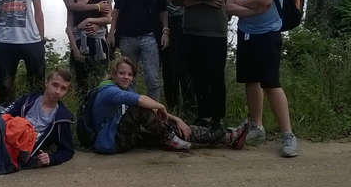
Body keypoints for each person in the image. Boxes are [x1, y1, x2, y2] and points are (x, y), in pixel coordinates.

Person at [226, 0, 298, 157]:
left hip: (268, 33)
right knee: (250, 81)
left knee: (271, 83)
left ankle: (288, 135)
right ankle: (256, 127)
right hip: (246, 33)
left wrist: (242, 3)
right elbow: (228, 6)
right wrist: (252, 8)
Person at [86, 57, 247, 154]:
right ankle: (169, 138)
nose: (126, 77)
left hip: (126, 136)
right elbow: (141, 101)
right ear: (113, 74)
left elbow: (149, 105)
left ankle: (228, 137)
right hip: (110, 142)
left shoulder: (123, 90)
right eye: (122, 73)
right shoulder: (108, 90)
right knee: (140, 108)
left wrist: (176, 119)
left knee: (178, 128)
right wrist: (162, 107)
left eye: (129, 74)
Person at [167, 0, 231, 131]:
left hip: (214, 31)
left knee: (215, 76)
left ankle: (217, 120)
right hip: (190, 31)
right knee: (197, 77)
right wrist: (203, 0)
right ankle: (203, 116)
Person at [107, 0, 168, 100]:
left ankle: (154, 112)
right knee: (126, 80)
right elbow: (117, 8)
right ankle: (129, 110)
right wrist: (111, 32)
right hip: (127, 37)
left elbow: (163, 9)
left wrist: (165, 31)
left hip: (150, 36)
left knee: (152, 79)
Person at [65, 0, 112, 96]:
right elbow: (69, 27)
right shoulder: (73, 1)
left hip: (99, 46)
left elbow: (109, 19)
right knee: (81, 83)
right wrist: (75, 50)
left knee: (100, 80)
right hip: (80, 45)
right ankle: (83, 107)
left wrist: (90, 20)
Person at [161, 0, 196, 113]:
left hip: (188, 25)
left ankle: (190, 109)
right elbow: (162, 7)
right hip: (169, 26)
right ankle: (172, 107)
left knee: (187, 69)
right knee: (169, 68)